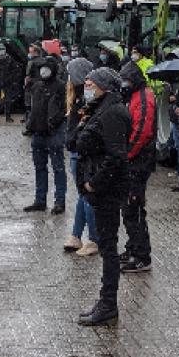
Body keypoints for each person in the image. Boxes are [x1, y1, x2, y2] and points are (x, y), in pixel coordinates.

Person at [75, 67, 130, 326]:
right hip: (100, 188)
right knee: (107, 246)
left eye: (90, 83)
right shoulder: (100, 109)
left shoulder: (114, 112)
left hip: (107, 190)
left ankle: (108, 303)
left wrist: (94, 184)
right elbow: (75, 143)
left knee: (108, 248)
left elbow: (116, 157)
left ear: (104, 86)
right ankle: (105, 300)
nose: (86, 87)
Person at [118, 60, 157, 273]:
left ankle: (141, 255)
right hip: (136, 160)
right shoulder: (136, 96)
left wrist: (127, 154)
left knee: (134, 208)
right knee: (130, 208)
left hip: (138, 161)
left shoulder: (143, 99)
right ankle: (133, 247)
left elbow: (142, 132)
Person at [63, 58, 98, 255]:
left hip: (82, 153)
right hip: (77, 151)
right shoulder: (76, 98)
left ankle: (93, 238)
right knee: (82, 196)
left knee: (87, 197)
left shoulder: (85, 101)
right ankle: (76, 235)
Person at [23, 56, 67, 214]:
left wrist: (55, 123)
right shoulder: (37, 85)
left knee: (58, 168)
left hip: (54, 133)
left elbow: (63, 108)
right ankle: (40, 200)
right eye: (41, 67)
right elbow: (33, 107)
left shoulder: (61, 86)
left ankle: (59, 202)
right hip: (38, 132)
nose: (43, 70)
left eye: (47, 67)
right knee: (39, 168)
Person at [0, 43, 19, 122]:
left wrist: (11, 79)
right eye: (0, 49)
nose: (2, 51)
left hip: (7, 82)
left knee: (8, 100)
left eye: (3, 49)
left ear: (5, 50)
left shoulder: (10, 59)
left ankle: (8, 117)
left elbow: (15, 70)